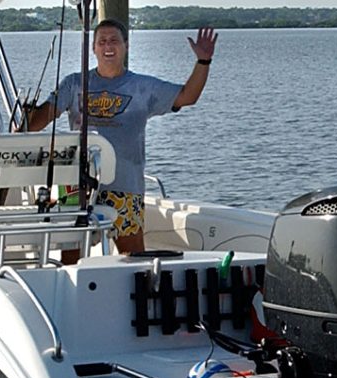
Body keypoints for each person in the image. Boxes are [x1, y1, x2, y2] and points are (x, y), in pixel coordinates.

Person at [24, 19, 217, 254]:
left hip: (124, 187)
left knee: (134, 258)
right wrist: (27, 114)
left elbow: (188, 96)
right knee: (71, 257)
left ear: (126, 45)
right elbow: (36, 123)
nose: (108, 46)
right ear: (93, 48)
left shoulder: (143, 86)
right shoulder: (74, 83)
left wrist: (203, 61)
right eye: (102, 41)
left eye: (114, 40)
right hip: (78, 185)